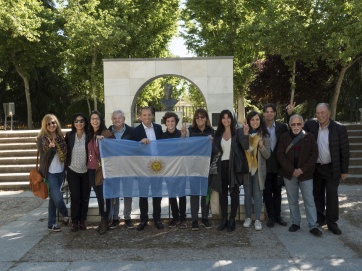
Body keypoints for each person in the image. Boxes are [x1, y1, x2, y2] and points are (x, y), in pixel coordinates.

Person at [304, 103, 349, 235]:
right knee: (317, 195)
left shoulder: (339, 128)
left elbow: (345, 151)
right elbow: (296, 123)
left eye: (322, 113)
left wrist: (344, 170)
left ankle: (332, 223)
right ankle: (320, 218)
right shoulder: (311, 125)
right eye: (317, 113)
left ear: (329, 113)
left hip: (332, 168)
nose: (320, 116)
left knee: (332, 196)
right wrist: (289, 113)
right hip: (316, 168)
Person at [277, 114, 322, 237]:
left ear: (303, 124)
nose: (296, 126)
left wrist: (302, 170)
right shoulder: (284, 137)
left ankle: (313, 225)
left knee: (309, 200)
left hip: (306, 174)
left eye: (298, 124)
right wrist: (292, 170)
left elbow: (314, 155)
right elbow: (280, 155)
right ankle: (295, 223)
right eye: (293, 124)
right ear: (289, 125)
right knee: (292, 200)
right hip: (289, 174)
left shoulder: (310, 137)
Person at [211, 110, 249, 232]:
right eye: (223, 118)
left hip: (234, 166)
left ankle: (232, 219)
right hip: (221, 166)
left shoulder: (238, 132)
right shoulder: (217, 134)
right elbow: (215, 151)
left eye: (228, 117)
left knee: (234, 194)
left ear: (232, 119)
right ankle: (224, 219)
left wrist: (246, 134)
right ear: (220, 120)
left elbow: (245, 146)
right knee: (222, 194)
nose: (226, 120)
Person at [131, 107, 164, 231]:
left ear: (153, 116)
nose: (147, 117)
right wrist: (139, 143)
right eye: (144, 115)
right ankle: (143, 220)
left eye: (149, 115)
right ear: (140, 117)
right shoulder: (136, 131)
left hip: (157, 165)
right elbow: (132, 148)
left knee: (157, 193)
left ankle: (157, 219)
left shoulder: (158, 128)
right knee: (143, 194)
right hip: (143, 166)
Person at [37, 114, 69, 232]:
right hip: (49, 173)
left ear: (57, 123)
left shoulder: (61, 137)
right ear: (45, 125)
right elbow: (43, 158)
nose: (51, 125)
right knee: (58, 198)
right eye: (49, 123)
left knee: (53, 199)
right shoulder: (42, 139)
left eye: (53, 122)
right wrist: (51, 149)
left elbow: (65, 155)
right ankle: (65, 214)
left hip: (60, 172)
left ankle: (51, 224)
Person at [106, 110, 135, 230]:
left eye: (119, 118)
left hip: (127, 167)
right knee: (115, 193)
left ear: (124, 119)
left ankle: (127, 217)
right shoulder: (107, 133)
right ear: (112, 120)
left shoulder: (131, 132)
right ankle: (115, 217)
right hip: (113, 167)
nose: (117, 120)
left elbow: (136, 147)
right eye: (115, 118)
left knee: (128, 193)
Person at [243, 111, 271, 231]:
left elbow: (268, 155)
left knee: (258, 195)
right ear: (248, 121)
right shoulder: (244, 134)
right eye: (252, 120)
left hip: (259, 171)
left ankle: (258, 219)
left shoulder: (264, 135)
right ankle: (248, 218)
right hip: (247, 169)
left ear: (260, 121)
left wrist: (261, 146)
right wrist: (244, 136)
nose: (255, 122)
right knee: (247, 194)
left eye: (257, 119)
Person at [262, 103, 289, 228]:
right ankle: (271, 216)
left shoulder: (282, 127)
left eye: (271, 111)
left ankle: (278, 216)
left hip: (278, 165)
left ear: (275, 113)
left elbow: (291, 133)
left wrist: (290, 114)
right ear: (264, 114)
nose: (269, 113)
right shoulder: (260, 127)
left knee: (277, 191)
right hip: (265, 164)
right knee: (267, 192)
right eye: (267, 111)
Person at [188, 108, 215, 231]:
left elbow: (215, 150)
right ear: (194, 119)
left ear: (206, 118)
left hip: (207, 166)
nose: (200, 119)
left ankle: (205, 217)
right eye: (197, 117)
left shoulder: (211, 131)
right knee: (194, 193)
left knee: (205, 192)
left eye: (202, 117)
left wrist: (212, 142)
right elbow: (186, 148)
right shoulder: (190, 131)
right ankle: (194, 219)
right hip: (194, 166)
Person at [88, 110, 113, 235]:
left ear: (101, 120)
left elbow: (114, 149)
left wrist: (105, 142)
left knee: (105, 196)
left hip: (103, 170)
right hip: (91, 169)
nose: (95, 121)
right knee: (98, 196)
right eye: (92, 118)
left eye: (97, 118)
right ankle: (103, 219)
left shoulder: (107, 133)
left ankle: (105, 220)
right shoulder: (89, 134)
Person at [160, 112, 187, 228]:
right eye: (168, 121)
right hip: (168, 169)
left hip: (180, 168)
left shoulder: (181, 134)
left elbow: (184, 148)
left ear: (176, 122)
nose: (170, 123)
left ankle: (183, 219)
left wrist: (183, 136)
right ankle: (175, 218)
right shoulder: (162, 136)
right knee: (171, 194)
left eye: (172, 121)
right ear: (165, 123)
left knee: (181, 194)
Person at [65, 113, 91, 232]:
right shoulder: (69, 135)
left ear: (85, 123)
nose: (79, 123)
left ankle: (82, 221)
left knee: (85, 197)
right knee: (75, 197)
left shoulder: (90, 136)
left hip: (86, 170)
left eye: (81, 121)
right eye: (76, 121)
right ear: (73, 123)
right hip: (72, 170)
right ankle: (75, 222)